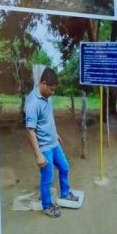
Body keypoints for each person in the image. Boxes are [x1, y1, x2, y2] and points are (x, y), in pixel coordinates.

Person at [24, 68, 79, 218]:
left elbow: (49, 117)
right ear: (43, 83)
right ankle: (47, 205)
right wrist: (38, 155)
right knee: (47, 178)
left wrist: (55, 133)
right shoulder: (32, 103)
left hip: (53, 142)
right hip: (44, 147)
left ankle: (65, 193)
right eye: (52, 89)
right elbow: (29, 131)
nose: (53, 92)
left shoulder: (47, 95)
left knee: (64, 166)